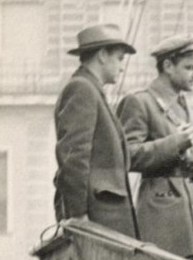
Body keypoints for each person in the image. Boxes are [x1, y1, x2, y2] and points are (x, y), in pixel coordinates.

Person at [117, 34, 193, 258]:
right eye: (189, 67)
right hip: (162, 216)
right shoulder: (140, 102)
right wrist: (175, 143)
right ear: (167, 66)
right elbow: (127, 155)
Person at [53, 23, 138, 236]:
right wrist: (78, 216)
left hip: (103, 217)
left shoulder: (90, 90)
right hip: (96, 220)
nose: (122, 67)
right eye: (119, 58)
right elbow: (73, 157)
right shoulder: (82, 89)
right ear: (102, 55)